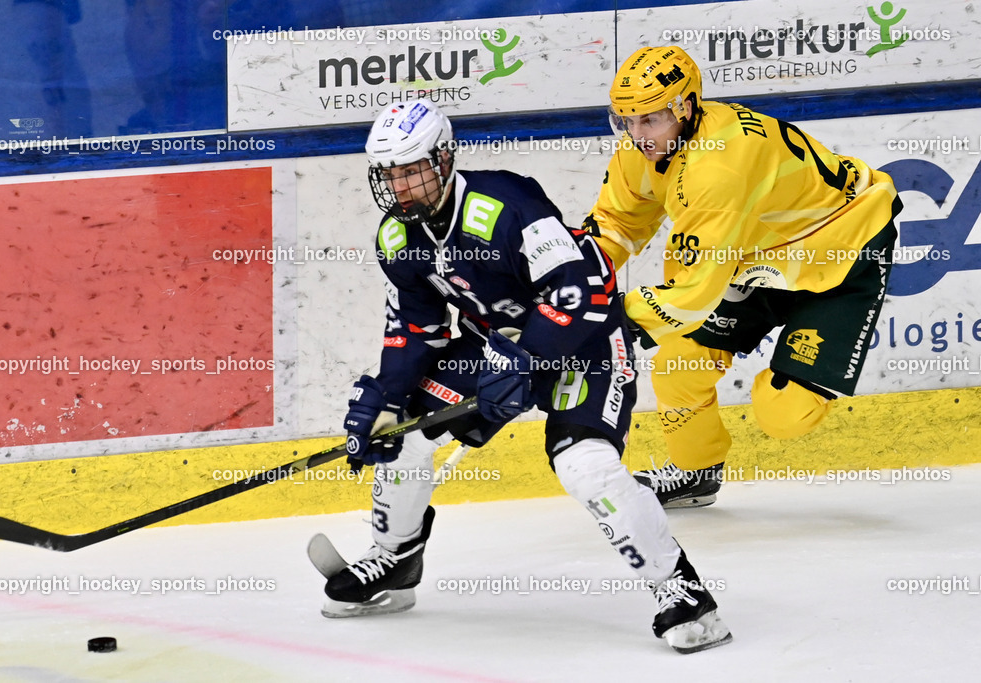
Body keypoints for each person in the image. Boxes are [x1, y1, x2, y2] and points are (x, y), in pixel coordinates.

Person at [320, 98, 732, 653]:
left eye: (413, 169)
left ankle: (682, 592)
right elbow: (416, 331)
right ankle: (395, 558)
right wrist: (385, 402)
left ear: (443, 160)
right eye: (389, 175)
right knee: (403, 435)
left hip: (583, 345)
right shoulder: (398, 240)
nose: (402, 187)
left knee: (586, 466)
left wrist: (525, 362)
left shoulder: (505, 202)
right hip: (496, 349)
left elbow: (580, 290)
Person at [583, 46, 901, 508]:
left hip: (841, 251)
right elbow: (618, 224)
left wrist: (605, 318)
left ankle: (803, 373)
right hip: (760, 258)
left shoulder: (719, 168)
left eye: (648, 120)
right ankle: (695, 473)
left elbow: (690, 297)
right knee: (678, 364)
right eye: (625, 121)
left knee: (783, 413)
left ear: (685, 107)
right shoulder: (650, 146)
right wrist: (571, 280)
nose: (637, 135)